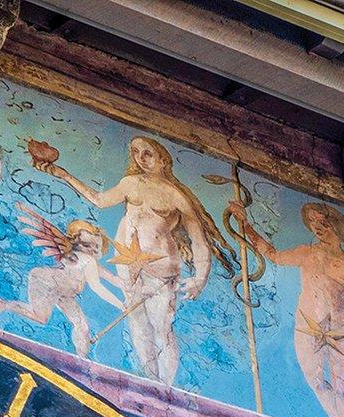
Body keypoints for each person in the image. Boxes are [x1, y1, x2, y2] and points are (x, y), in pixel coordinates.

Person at [32, 134, 233, 385]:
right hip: (128, 264)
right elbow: (99, 199)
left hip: (161, 268)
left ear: (163, 159)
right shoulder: (130, 183)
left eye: (147, 153)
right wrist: (64, 175)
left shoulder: (176, 196)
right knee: (138, 325)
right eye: (136, 152)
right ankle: (151, 383)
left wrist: (200, 278)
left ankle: (166, 387)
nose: (141, 158)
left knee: (161, 328)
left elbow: (198, 238)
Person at [229, 198, 344, 417]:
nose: (317, 227)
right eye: (311, 222)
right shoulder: (306, 253)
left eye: (322, 221)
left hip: (340, 331)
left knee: (343, 388)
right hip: (307, 327)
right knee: (317, 383)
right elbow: (274, 256)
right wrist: (245, 225)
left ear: (336, 225)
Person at [0, 205, 121, 358]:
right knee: (42, 318)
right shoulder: (86, 260)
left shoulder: (90, 263)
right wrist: (120, 305)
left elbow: (114, 279)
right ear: (78, 243)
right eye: (89, 245)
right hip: (45, 282)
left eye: (96, 247)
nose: (93, 250)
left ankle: (82, 358)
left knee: (82, 326)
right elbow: (97, 287)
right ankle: (6, 305)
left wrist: (136, 289)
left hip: (65, 294)